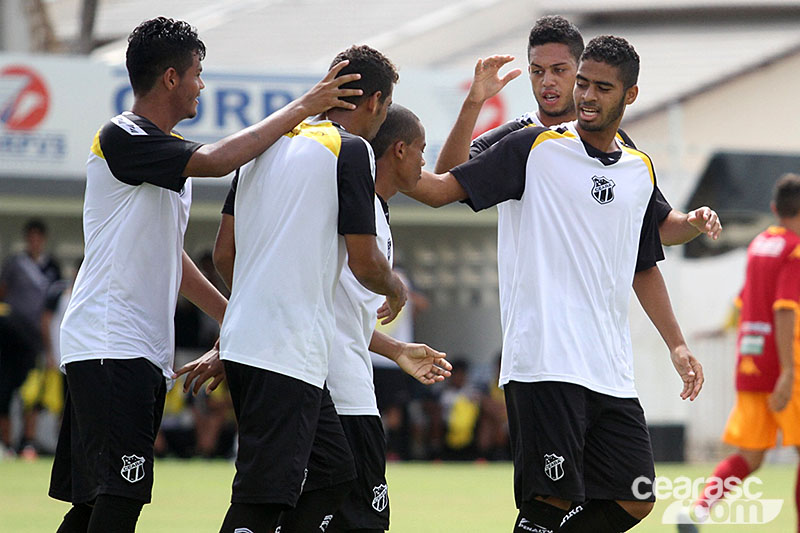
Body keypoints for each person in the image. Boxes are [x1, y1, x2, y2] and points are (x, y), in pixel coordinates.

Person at [47, 16, 362, 533]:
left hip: (133, 349)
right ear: (171, 78)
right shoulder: (122, 135)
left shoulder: (164, 151)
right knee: (120, 496)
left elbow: (172, 259)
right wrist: (303, 107)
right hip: (110, 344)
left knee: (94, 504)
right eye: (197, 74)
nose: (201, 85)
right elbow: (218, 159)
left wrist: (231, 318)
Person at [408, 35, 704, 532]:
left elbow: (646, 254)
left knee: (634, 497)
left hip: (609, 366)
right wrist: (385, 158)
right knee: (550, 499)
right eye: (541, 71)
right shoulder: (527, 144)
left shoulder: (636, 165)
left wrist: (677, 342)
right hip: (545, 357)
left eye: (574, 76)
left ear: (629, 95)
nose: (576, 91)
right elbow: (443, 185)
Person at [212, 103, 450, 532]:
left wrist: (394, 349)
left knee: (307, 503)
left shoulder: (360, 202)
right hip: (335, 389)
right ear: (398, 149)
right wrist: (396, 289)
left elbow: (338, 311)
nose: (423, 161)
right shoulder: (352, 200)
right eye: (421, 149)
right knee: (352, 516)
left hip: (324, 379)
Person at [198, 45, 407, 533]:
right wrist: (395, 289)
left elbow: (224, 253)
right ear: (375, 101)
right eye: (385, 107)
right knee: (264, 494)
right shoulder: (350, 150)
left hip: (250, 343)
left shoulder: (263, 145)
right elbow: (365, 261)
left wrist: (254, 304)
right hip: (285, 348)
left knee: (331, 472)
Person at [436, 15, 722, 247]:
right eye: (538, 71)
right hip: (535, 304)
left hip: (598, 303)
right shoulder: (518, 139)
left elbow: (658, 226)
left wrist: (692, 222)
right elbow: (446, 180)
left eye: (559, 70)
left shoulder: (617, 144)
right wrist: (474, 103)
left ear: (581, 69)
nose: (547, 81)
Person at [679, 174, 800, 533]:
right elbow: (785, 309)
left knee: (750, 455)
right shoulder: (794, 250)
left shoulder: (759, 245)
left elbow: (743, 299)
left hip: (751, 362)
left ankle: (697, 511)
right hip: (785, 366)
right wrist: (788, 371)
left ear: (774, 209)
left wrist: (722, 328)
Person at [0, 219, 61, 458]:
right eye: (31, 237)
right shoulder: (15, 264)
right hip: (11, 337)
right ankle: (5, 443)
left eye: (38, 237)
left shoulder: (51, 267)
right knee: (5, 390)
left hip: (37, 340)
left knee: (33, 393)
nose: (35, 241)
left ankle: (28, 441)